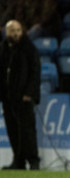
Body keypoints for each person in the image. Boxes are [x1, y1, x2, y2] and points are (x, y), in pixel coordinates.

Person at [0, 20, 40, 170]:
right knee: (13, 130)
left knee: (27, 130)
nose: (16, 34)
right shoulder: (3, 48)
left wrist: (30, 93)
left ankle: (34, 160)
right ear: (6, 32)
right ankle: (18, 160)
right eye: (12, 31)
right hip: (8, 98)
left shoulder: (28, 48)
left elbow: (35, 72)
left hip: (24, 96)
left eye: (18, 30)